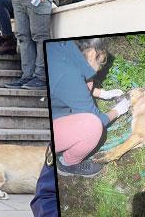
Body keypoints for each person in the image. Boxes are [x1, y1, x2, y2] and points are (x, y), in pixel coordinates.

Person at [48, 38, 129, 177]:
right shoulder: (69, 75)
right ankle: (68, 163)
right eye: (102, 61)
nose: (101, 67)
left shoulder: (61, 48)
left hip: (56, 105)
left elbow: (71, 86)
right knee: (93, 126)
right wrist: (118, 110)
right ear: (92, 54)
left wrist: (103, 94)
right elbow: (98, 119)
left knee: (88, 78)